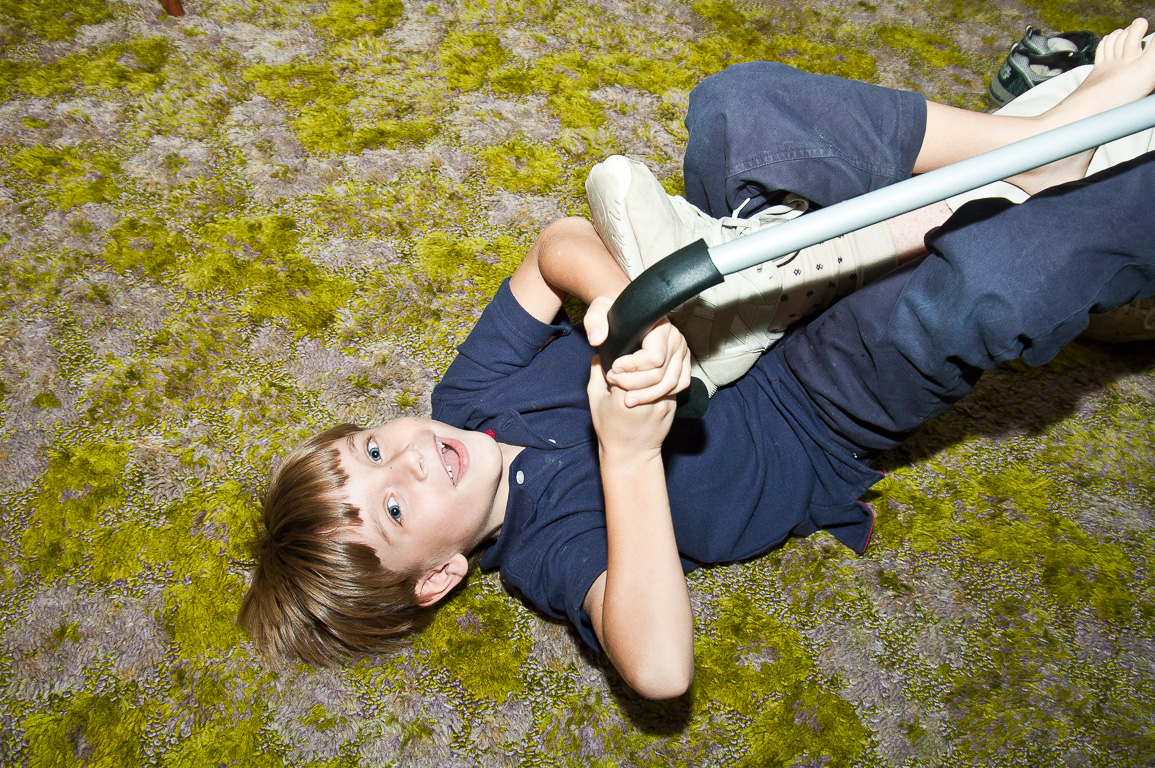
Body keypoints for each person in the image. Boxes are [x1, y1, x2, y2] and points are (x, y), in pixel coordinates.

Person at [238, 20, 1155, 700]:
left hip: (723, 285)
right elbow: (660, 670)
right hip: (809, 411)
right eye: (395, 508)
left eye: (366, 449)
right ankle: (1050, 184)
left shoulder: (467, 395)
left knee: (733, 108)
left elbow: (554, 245)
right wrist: (628, 457)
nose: (403, 458)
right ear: (439, 576)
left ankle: (1025, 148)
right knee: (985, 285)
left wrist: (624, 308)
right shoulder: (547, 554)